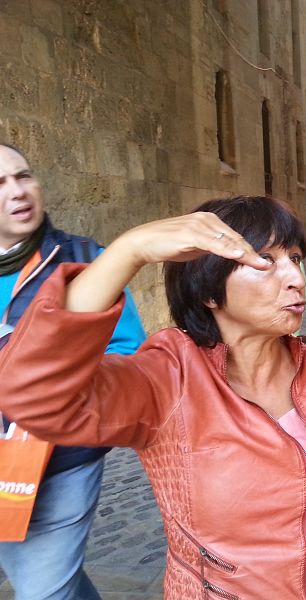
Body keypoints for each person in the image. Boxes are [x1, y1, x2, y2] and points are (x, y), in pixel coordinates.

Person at [0, 195, 306, 600]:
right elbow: (33, 395)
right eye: (265, 261)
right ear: (209, 290)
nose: (295, 278)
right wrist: (129, 251)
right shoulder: (168, 378)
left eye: (294, 258)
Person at [0, 144, 146, 600]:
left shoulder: (84, 260)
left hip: (56, 461)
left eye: (23, 176)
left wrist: (55, 390)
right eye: (0, 184)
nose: (17, 191)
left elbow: (127, 354)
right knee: (46, 580)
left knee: (43, 591)